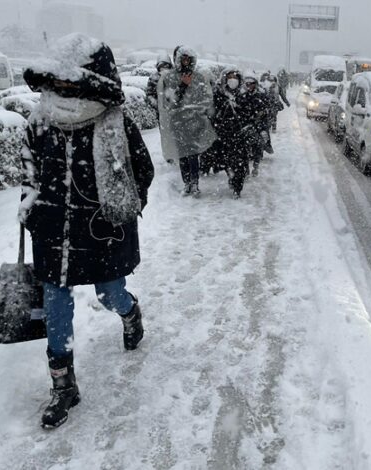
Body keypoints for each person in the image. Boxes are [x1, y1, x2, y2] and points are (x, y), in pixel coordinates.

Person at [19, 33, 154, 429]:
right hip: (53, 230)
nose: (60, 88)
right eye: (56, 81)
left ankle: (130, 313)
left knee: (109, 293)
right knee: (56, 303)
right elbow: (29, 171)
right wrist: (30, 207)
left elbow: (141, 172)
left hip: (100, 230)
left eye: (69, 81)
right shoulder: (39, 120)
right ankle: (63, 385)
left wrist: (122, 210)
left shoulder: (114, 122)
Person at [157, 45, 216, 197]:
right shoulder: (169, 77)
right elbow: (170, 102)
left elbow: (205, 99)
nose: (185, 61)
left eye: (188, 59)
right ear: (177, 59)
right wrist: (182, 86)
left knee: (193, 154)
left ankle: (195, 183)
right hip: (177, 122)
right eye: (183, 58)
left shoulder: (199, 77)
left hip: (195, 122)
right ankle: (187, 183)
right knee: (182, 154)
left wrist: (200, 112)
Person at [212, 67, 249, 198]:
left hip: (240, 135)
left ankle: (237, 188)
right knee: (226, 161)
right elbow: (214, 114)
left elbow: (248, 115)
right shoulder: (219, 94)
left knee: (240, 163)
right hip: (224, 135)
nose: (232, 80)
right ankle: (231, 175)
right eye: (229, 78)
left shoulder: (244, 95)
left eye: (235, 77)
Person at [238, 74, 270, 177]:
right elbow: (239, 113)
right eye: (247, 84)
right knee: (244, 150)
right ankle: (245, 169)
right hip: (246, 127)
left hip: (258, 126)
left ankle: (256, 166)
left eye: (251, 84)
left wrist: (263, 128)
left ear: (255, 84)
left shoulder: (261, 96)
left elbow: (265, 113)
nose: (249, 86)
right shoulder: (242, 97)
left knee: (258, 148)